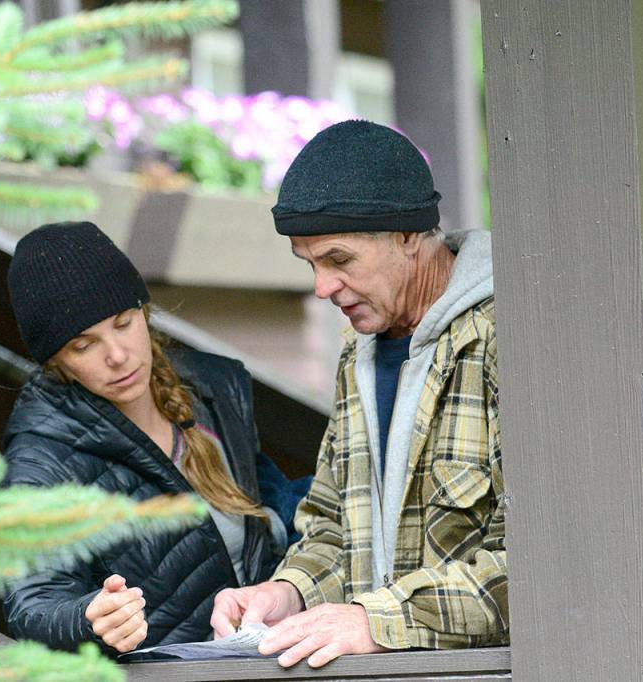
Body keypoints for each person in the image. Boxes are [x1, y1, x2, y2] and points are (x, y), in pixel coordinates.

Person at [211, 120, 507, 668]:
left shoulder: (508, 339)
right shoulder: (359, 352)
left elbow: (538, 565)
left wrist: (376, 620)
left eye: (339, 259)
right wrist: (287, 594)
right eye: (310, 265)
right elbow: (332, 525)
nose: (322, 288)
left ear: (409, 236)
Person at [1, 221, 299, 654]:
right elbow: (32, 602)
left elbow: (277, 506)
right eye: (83, 346)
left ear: (144, 312)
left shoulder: (211, 392)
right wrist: (88, 619)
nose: (117, 356)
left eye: (123, 323)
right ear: (57, 364)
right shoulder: (42, 457)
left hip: (269, 656)